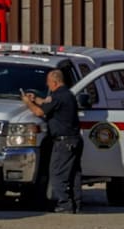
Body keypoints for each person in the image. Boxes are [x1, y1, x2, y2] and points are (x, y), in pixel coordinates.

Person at [21, 69, 84, 213]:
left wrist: (27, 103)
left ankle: (64, 204)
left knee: (57, 174)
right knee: (74, 174)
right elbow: (48, 103)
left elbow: (39, 112)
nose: (47, 85)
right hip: (74, 140)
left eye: (49, 83)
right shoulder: (66, 94)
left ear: (55, 82)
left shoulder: (60, 96)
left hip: (64, 142)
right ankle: (76, 204)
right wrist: (35, 99)